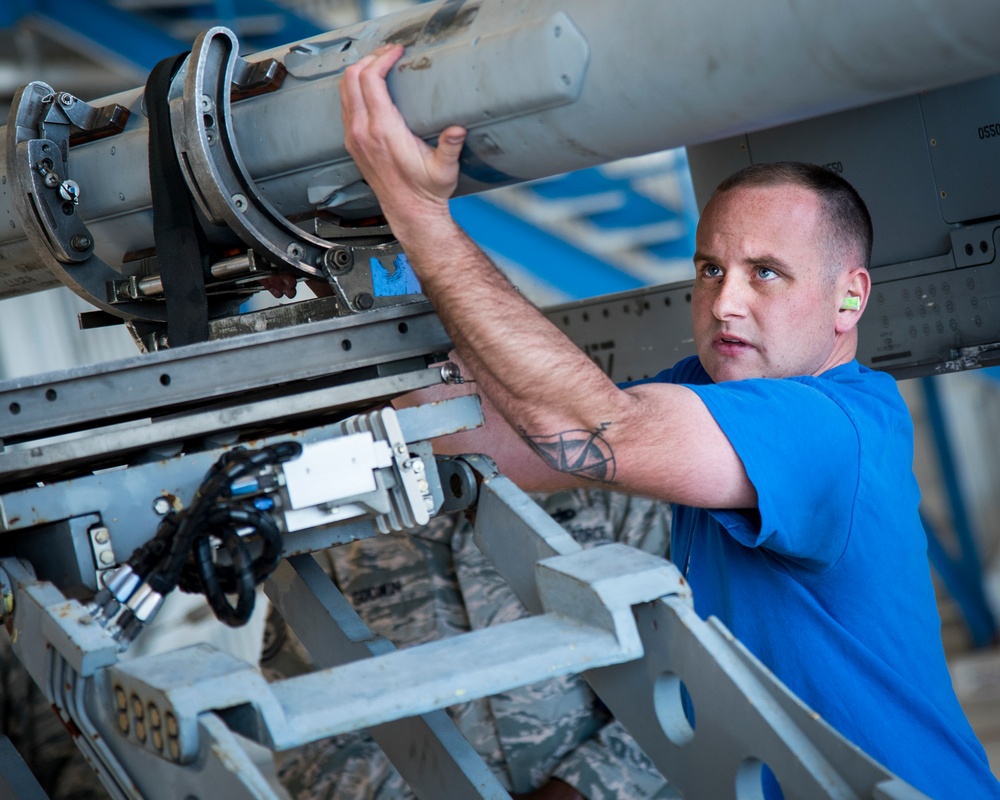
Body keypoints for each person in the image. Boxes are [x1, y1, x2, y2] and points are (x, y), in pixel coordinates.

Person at [336, 43, 1000, 799]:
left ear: (850, 298)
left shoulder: (834, 428)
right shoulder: (709, 391)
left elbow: (585, 431)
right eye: (710, 269)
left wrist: (422, 217)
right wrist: (378, 258)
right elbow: (494, 439)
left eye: (766, 273)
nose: (724, 302)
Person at [267, 489, 675, 800]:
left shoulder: (607, 501)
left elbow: (684, 677)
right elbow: (306, 731)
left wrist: (583, 788)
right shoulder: (330, 547)